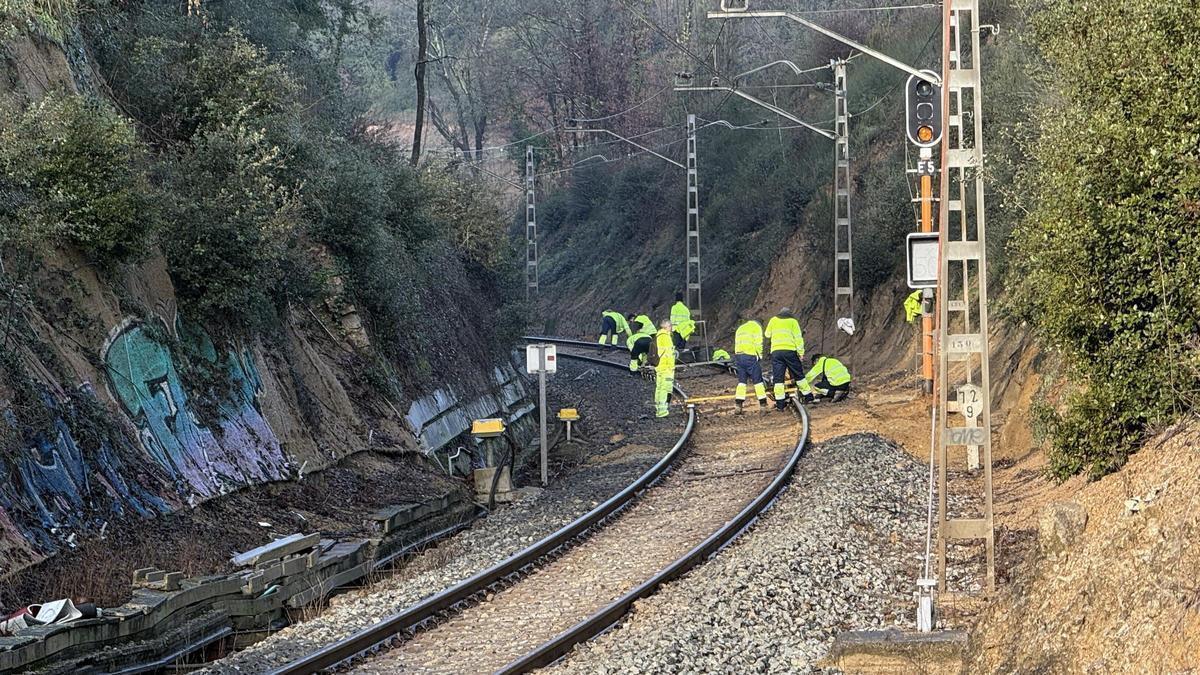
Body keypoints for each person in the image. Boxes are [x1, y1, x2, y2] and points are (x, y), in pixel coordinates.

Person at [765, 308, 807, 411]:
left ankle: (780, 404)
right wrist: (801, 353)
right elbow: (798, 338)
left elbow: (767, 334)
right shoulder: (793, 322)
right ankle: (808, 397)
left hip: (776, 352)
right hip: (790, 351)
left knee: (778, 379)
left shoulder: (773, 320)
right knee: (798, 374)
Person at [733, 318, 769, 414]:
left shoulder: (741, 328)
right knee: (758, 381)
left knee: (742, 382)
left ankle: (738, 405)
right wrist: (759, 356)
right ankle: (763, 405)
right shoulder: (756, 327)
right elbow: (758, 343)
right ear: (760, 324)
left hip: (739, 356)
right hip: (750, 356)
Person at [652, 319, 677, 418]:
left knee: (659, 387)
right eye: (671, 327)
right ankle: (662, 410)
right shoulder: (666, 337)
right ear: (668, 327)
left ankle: (658, 407)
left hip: (659, 366)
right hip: (666, 367)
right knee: (665, 388)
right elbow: (668, 354)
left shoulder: (658, 336)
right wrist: (671, 367)